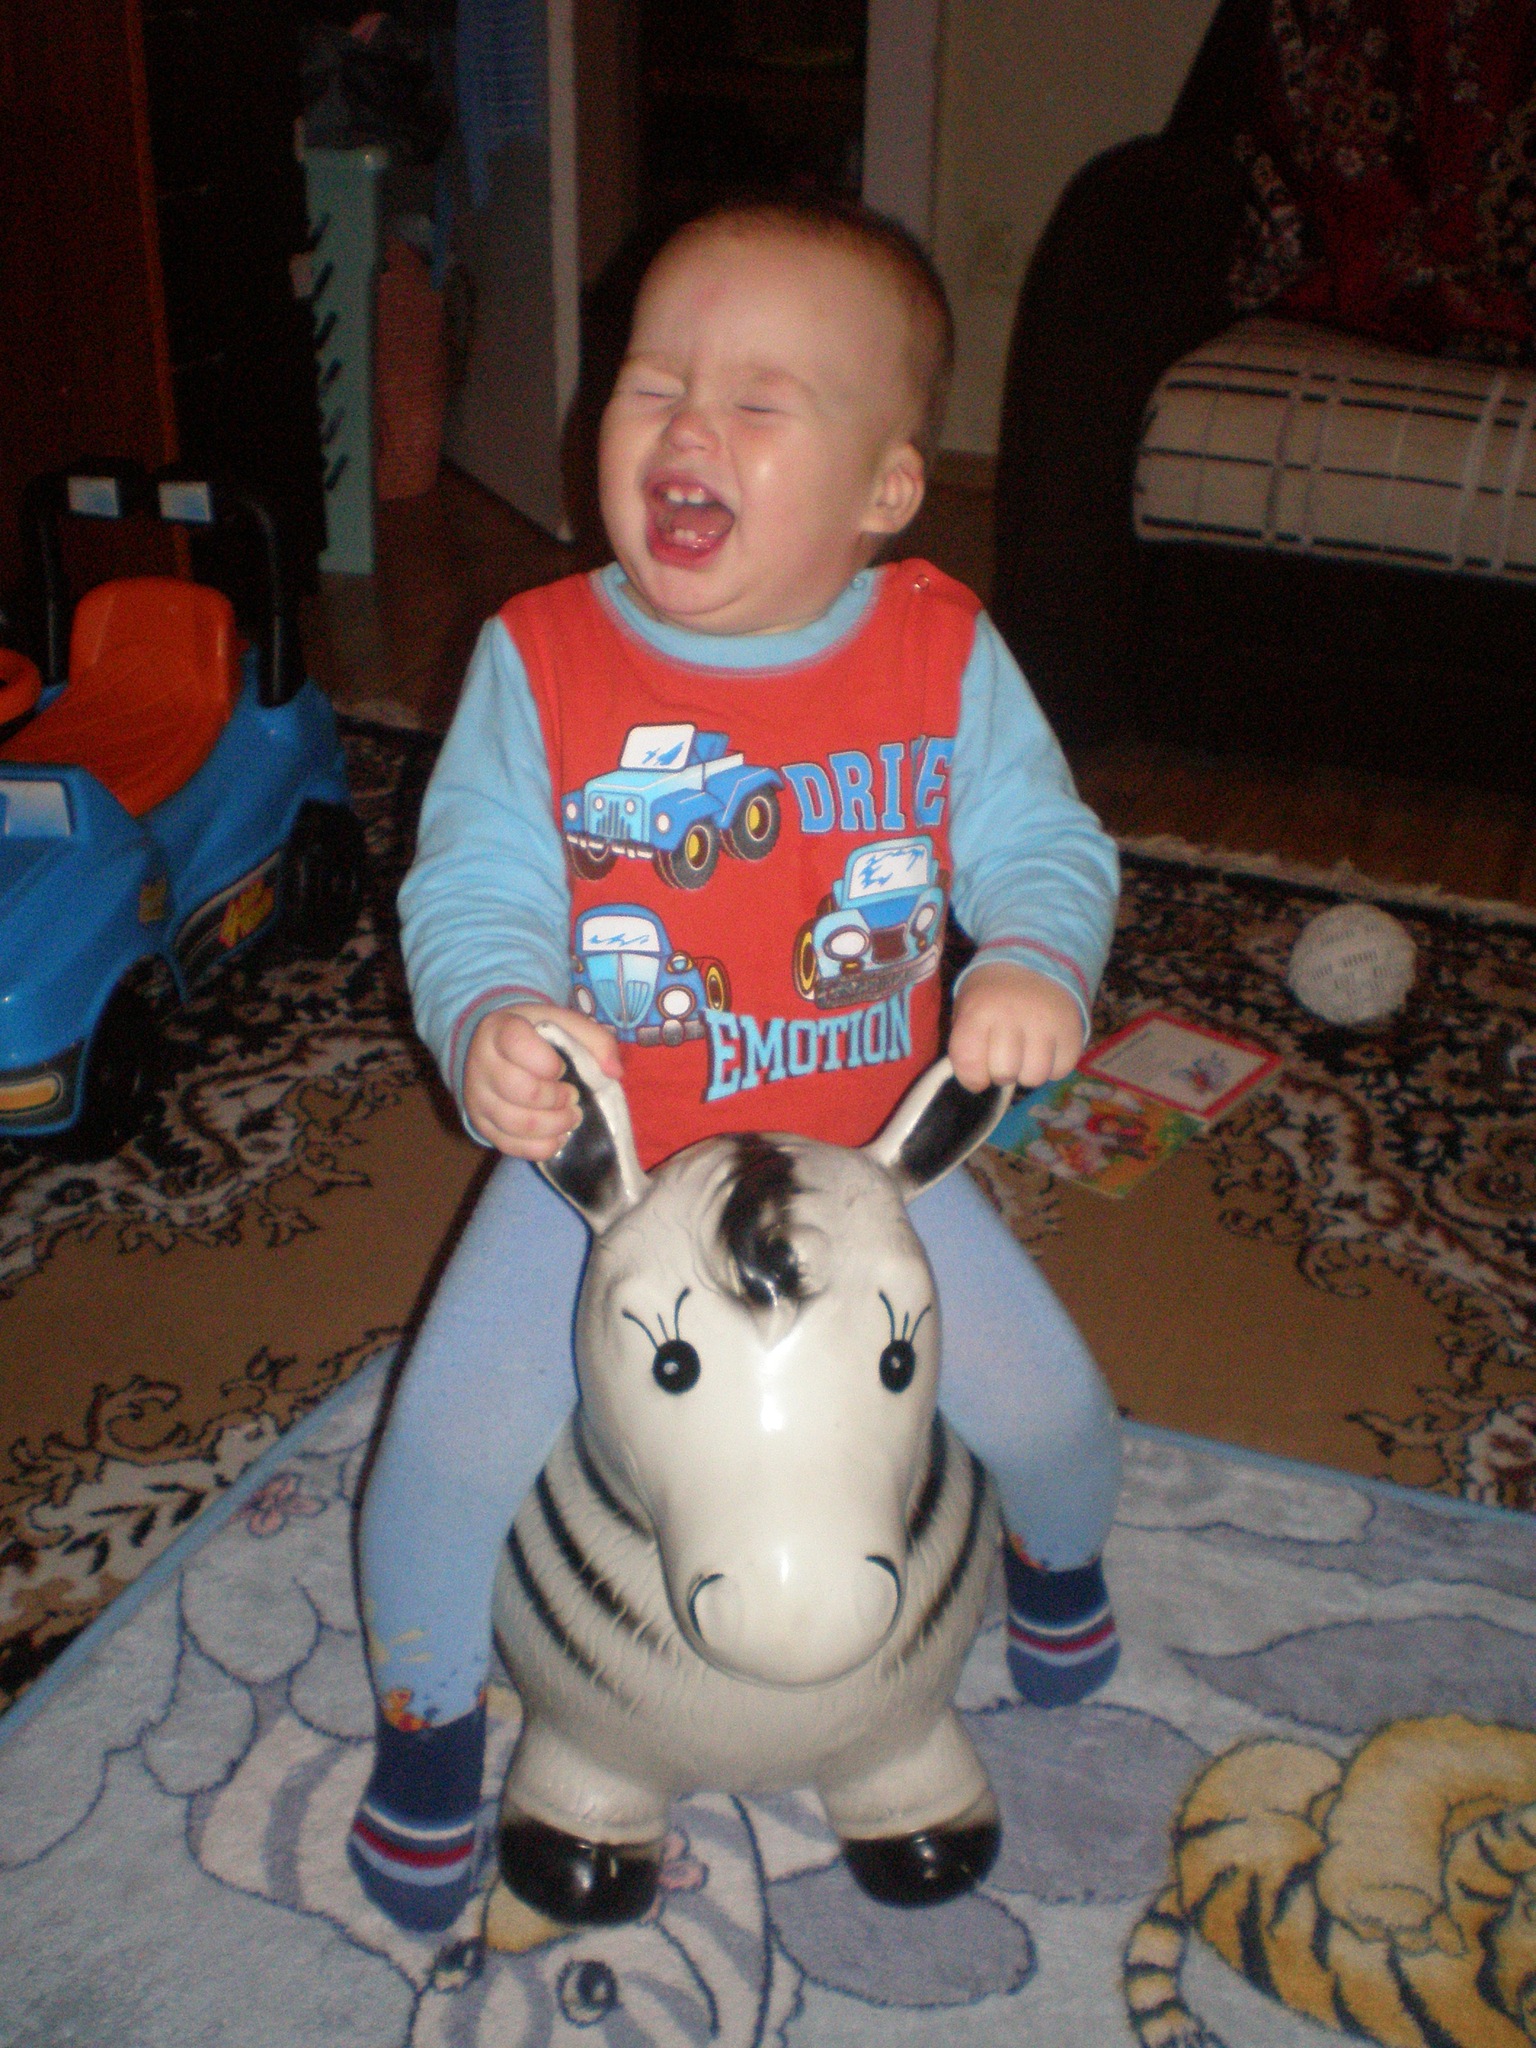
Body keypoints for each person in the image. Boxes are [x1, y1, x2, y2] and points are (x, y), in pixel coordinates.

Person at [349, 196, 1124, 1931]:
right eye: (653, 383)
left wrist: (1032, 958)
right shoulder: (540, 657)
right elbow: (472, 881)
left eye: (761, 402)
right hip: (605, 1177)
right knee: (446, 1454)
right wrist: (489, 1017)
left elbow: (1043, 841)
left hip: (867, 1167)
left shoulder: (940, 647)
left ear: (886, 488)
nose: (688, 425)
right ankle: (426, 1725)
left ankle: (1058, 1566)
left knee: (1052, 1403)